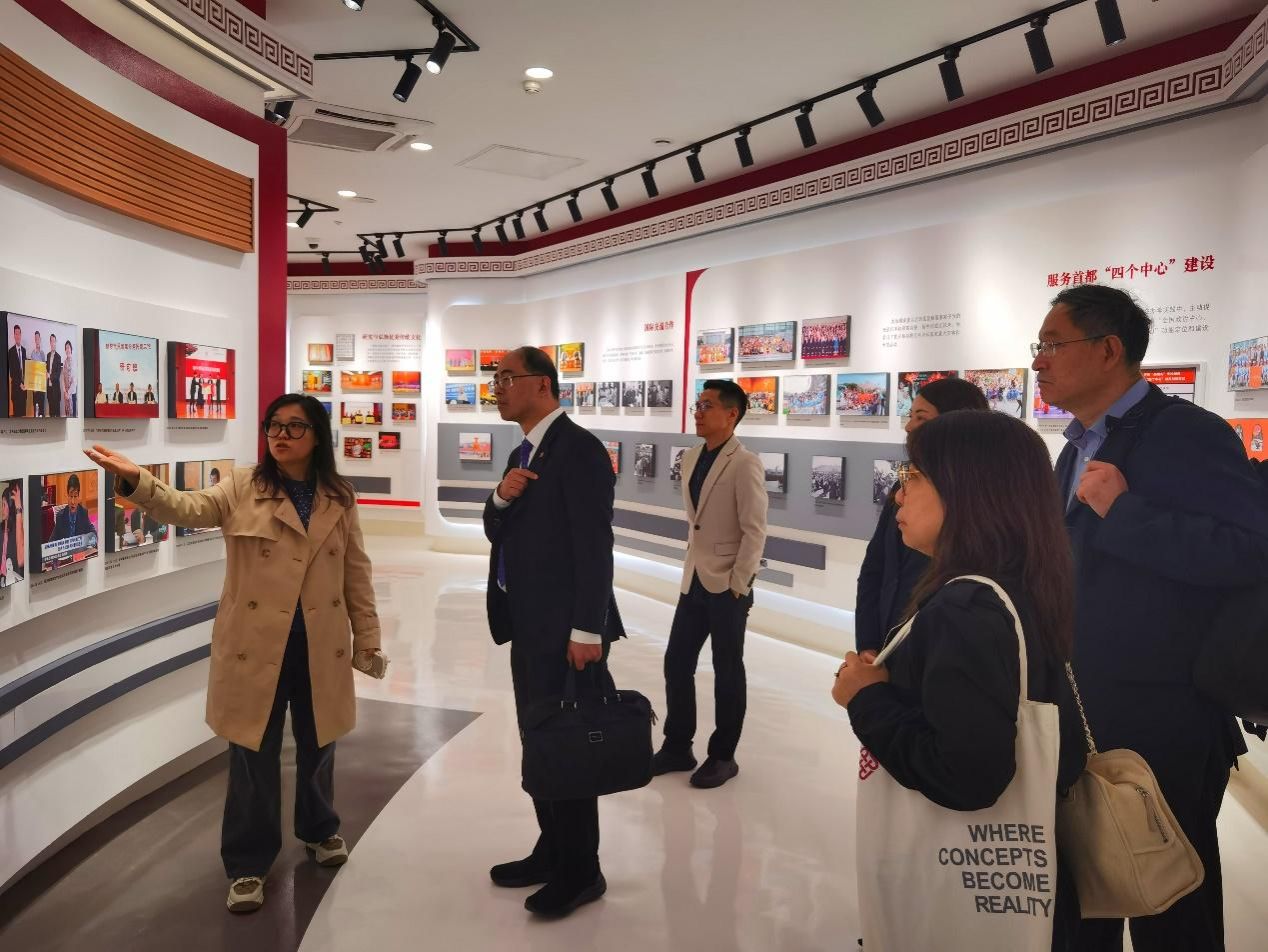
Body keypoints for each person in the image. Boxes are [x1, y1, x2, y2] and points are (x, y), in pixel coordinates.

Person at [84, 394, 389, 915]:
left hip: (317, 645)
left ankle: (320, 830)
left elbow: (356, 571)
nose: (281, 435)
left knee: (320, 744)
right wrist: (139, 481)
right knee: (252, 755)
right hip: (255, 645)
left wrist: (368, 637)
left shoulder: (339, 496)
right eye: (274, 425)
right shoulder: (244, 485)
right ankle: (248, 863)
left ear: (318, 436)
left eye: (295, 426)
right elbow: (190, 508)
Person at [1031, 284, 1268, 950]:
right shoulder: (1075, 446)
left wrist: (1126, 514)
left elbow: (1251, 551)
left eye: (1052, 344)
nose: (1039, 361)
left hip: (1167, 720)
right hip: (1084, 710)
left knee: (1173, 910)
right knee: (1088, 897)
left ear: (1108, 350)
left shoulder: (1185, 433)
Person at [835, 410, 1085, 951]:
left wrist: (866, 697)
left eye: (913, 477)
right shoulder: (1017, 585)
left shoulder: (967, 608)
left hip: (957, 887)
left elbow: (967, 775)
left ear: (969, 489)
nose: (898, 496)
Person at [483, 346, 625, 918]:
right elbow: (498, 528)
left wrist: (588, 628)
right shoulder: (524, 452)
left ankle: (581, 870)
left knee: (567, 741)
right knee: (541, 737)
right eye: (495, 380)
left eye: (506, 378)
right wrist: (500, 496)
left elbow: (595, 546)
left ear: (542, 384)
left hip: (566, 630)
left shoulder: (579, 449)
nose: (497, 389)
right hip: (529, 623)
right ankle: (553, 848)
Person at [653, 379, 767, 788]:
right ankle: (677, 746)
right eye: (697, 405)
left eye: (707, 406)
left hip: (727, 584)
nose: (698, 412)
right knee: (677, 662)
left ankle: (723, 756)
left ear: (731, 414)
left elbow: (754, 530)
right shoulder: (691, 456)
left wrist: (740, 583)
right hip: (694, 578)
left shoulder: (744, 462)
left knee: (727, 670)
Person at [854, 377, 988, 652]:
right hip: (887, 640)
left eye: (921, 418)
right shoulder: (903, 484)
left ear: (954, 422)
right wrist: (868, 644)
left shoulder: (978, 499)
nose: (908, 426)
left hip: (934, 644)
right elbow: (875, 565)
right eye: (910, 415)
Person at [50, 473, 92, 543]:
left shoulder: (83, 513)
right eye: (70, 496)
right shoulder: (60, 516)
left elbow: (92, 532)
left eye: (75, 497)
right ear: (67, 496)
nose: (73, 502)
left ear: (78, 496)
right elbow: (52, 540)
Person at [6, 323, 26, 417]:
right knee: (17, 418)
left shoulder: (24, 350)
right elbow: (12, 373)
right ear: (14, 335)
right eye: (16, 334)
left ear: (21, 335)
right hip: (16, 390)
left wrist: (26, 382)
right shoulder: (10, 352)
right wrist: (20, 384)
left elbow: (25, 369)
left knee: (23, 418)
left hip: (24, 390)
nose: (17, 336)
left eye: (19, 333)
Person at [29, 330, 46, 417]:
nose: (37, 340)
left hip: (41, 386)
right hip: (35, 386)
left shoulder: (42, 353)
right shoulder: (32, 353)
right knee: (35, 407)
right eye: (35, 338)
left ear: (40, 339)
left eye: (38, 338)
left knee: (41, 408)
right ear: (35, 340)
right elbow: (31, 371)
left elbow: (44, 369)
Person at [46, 333, 62, 417]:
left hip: (55, 390)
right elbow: (47, 369)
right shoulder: (48, 355)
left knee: (57, 415)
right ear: (50, 343)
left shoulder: (58, 357)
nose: (52, 343)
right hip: (49, 389)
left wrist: (50, 376)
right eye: (51, 341)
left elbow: (58, 374)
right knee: (51, 415)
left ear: (56, 342)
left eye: (54, 341)